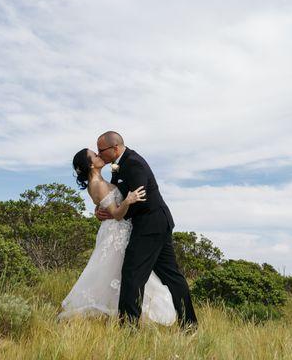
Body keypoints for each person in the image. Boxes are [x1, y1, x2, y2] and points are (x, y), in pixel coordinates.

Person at [57, 148, 177, 326]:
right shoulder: (97, 183)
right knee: (124, 273)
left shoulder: (98, 180)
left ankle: (122, 315)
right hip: (116, 232)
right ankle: (126, 318)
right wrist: (129, 200)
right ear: (91, 164)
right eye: (95, 155)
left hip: (118, 231)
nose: (99, 156)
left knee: (118, 273)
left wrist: (101, 209)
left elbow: (106, 205)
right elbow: (117, 214)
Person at [95, 131, 197, 328]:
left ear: (115, 148)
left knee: (132, 273)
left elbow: (139, 200)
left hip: (151, 224)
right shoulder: (119, 165)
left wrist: (118, 214)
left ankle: (128, 328)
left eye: (101, 150)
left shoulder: (134, 164)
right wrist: (104, 211)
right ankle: (189, 324)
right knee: (171, 275)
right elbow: (116, 195)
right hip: (155, 223)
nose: (99, 154)